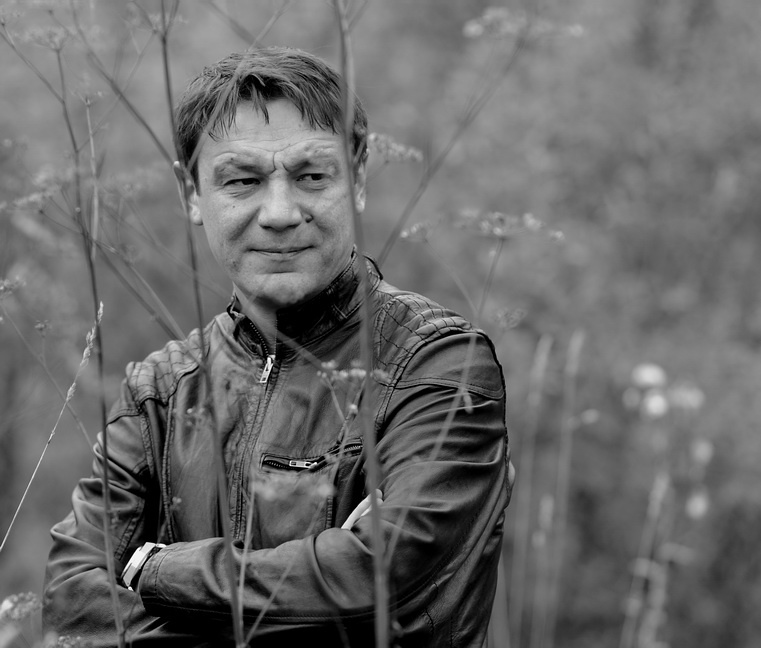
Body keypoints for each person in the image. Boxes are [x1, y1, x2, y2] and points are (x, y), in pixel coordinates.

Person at [43, 46, 514, 647]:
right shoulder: (158, 393)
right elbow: (70, 610)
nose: (280, 212)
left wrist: (152, 570)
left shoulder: (438, 367)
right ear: (192, 193)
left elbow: (380, 580)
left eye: (312, 176)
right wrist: (316, 596)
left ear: (358, 179)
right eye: (243, 180)